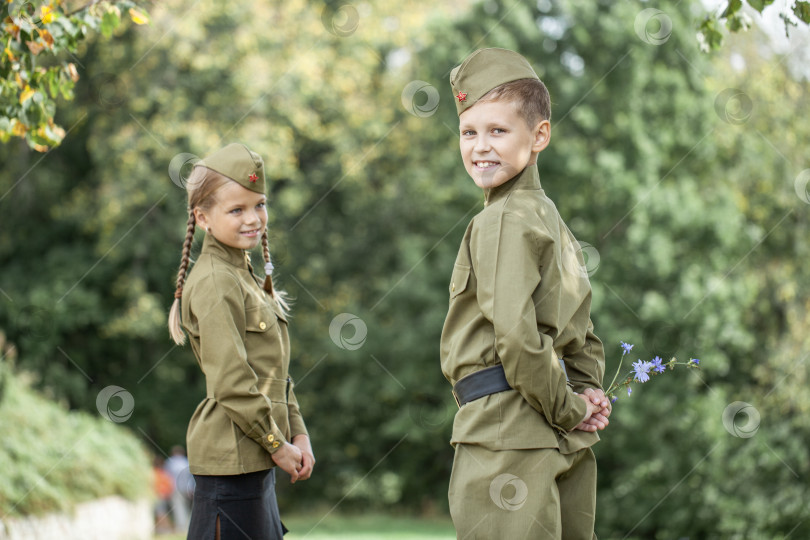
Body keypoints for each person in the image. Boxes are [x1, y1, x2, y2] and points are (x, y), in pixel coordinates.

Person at [440, 48, 611, 539]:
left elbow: (515, 337)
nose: (479, 147)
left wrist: (572, 407)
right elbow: (583, 334)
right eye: (468, 132)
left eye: (498, 131)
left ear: (539, 135)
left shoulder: (500, 219)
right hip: (557, 440)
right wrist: (585, 393)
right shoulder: (552, 220)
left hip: (505, 440)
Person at [167, 143, 315, 539]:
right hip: (231, 470)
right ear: (202, 218)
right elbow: (233, 382)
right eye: (236, 210)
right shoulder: (216, 280)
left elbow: (273, 373)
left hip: (251, 465)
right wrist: (277, 443)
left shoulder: (244, 275)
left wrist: (297, 433)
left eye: (259, 205)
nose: (253, 219)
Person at [164, 445, 193, 533]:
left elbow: (167, 477)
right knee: (188, 507)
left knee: (178, 508)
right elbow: (191, 477)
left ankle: (181, 527)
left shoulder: (170, 462)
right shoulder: (186, 461)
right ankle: (189, 525)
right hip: (187, 489)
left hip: (175, 489)